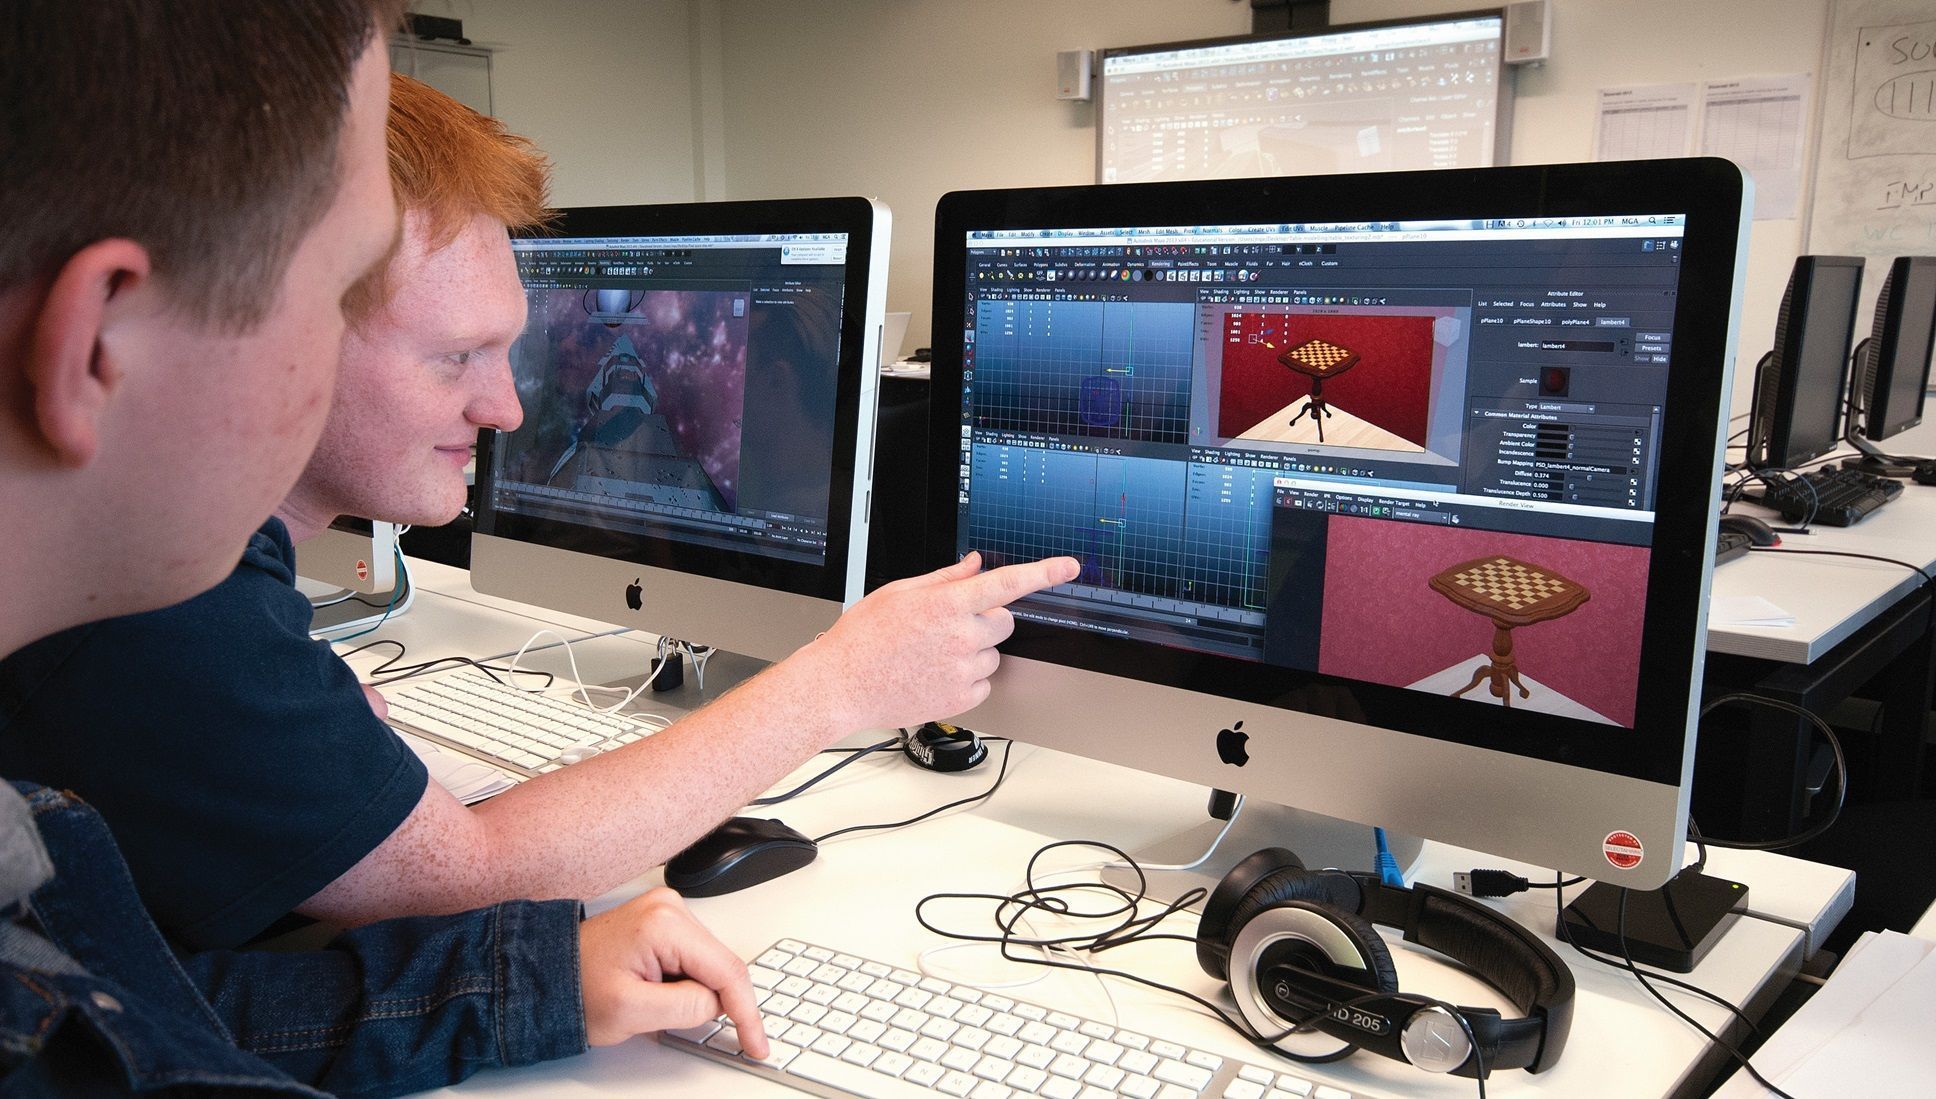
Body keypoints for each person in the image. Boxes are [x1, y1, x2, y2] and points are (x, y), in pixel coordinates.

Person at [0, 4, 1075, 1094]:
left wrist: (522, 981)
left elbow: (154, 1012)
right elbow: (449, 883)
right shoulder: (161, 612)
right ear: (103, 342)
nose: (509, 411)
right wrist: (842, 679)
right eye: (333, 292)